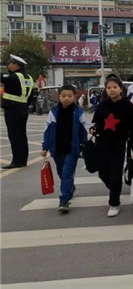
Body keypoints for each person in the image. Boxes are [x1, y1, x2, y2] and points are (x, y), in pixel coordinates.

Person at [91, 75, 133, 217]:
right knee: (103, 173)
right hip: (102, 143)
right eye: (109, 87)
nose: (112, 90)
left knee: (115, 173)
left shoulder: (127, 105)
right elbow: (98, 123)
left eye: (114, 87)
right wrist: (94, 129)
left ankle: (114, 203)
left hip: (119, 143)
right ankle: (114, 189)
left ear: (120, 89)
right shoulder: (102, 105)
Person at [40, 85, 87, 213]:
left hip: (72, 150)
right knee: (61, 172)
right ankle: (70, 187)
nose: (66, 98)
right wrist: (45, 147)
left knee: (67, 173)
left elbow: (83, 131)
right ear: (59, 97)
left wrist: (85, 145)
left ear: (74, 97)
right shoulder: (53, 113)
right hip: (57, 149)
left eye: (69, 96)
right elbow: (47, 131)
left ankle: (64, 200)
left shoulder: (78, 113)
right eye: (64, 96)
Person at [1, 54, 34, 169]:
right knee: (21, 135)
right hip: (23, 109)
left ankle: (17, 161)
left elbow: (2, 77)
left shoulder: (13, 77)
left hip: (13, 110)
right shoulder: (29, 78)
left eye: (11, 63)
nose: (9, 65)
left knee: (14, 136)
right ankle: (22, 159)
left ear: (17, 65)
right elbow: (30, 96)